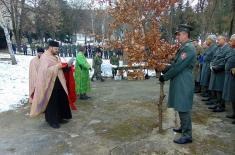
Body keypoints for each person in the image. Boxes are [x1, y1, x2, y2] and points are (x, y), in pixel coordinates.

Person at [159, 24, 196, 144]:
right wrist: (166, 68)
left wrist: (165, 77)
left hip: (184, 82)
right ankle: (183, 128)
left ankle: (187, 135)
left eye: (179, 35)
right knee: (181, 105)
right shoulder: (184, 47)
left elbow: (179, 66)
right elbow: (176, 64)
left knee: (184, 107)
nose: (177, 37)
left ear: (185, 34)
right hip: (180, 80)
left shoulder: (189, 48)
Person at [30, 40, 72, 129]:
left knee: (61, 100)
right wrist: (58, 66)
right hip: (50, 84)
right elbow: (45, 72)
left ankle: (60, 117)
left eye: (58, 48)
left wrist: (66, 66)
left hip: (59, 82)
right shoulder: (45, 57)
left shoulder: (55, 56)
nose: (57, 50)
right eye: (56, 48)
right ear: (50, 48)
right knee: (52, 102)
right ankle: (52, 121)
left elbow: (59, 69)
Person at [208, 36, 231, 112]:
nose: (217, 41)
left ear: (224, 40)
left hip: (221, 72)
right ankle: (218, 104)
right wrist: (211, 65)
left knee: (220, 89)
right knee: (216, 88)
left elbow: (224, 61)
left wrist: (216, 67)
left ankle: (221, 106)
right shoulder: (219, 48)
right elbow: (214, 58)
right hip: (215, 70)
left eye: (219, 40)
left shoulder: (227, 48)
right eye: (217, 40)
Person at [200, 35, 218, 99]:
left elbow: (213, 57)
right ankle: (208, 94)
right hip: (206, 65)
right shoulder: (209, 47)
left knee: (208, 80)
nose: (206, 41)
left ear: (211, 40)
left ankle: (211, 96)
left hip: (209, 65)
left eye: (207, 39)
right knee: (205, 80)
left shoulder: (214, 47)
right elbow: (204, 55)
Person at [223, 34, 235, 124]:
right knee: (232, 96)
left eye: (231, 40)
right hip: (230, 75)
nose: (229, 42)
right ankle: (234, 113)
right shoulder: (232, 50)